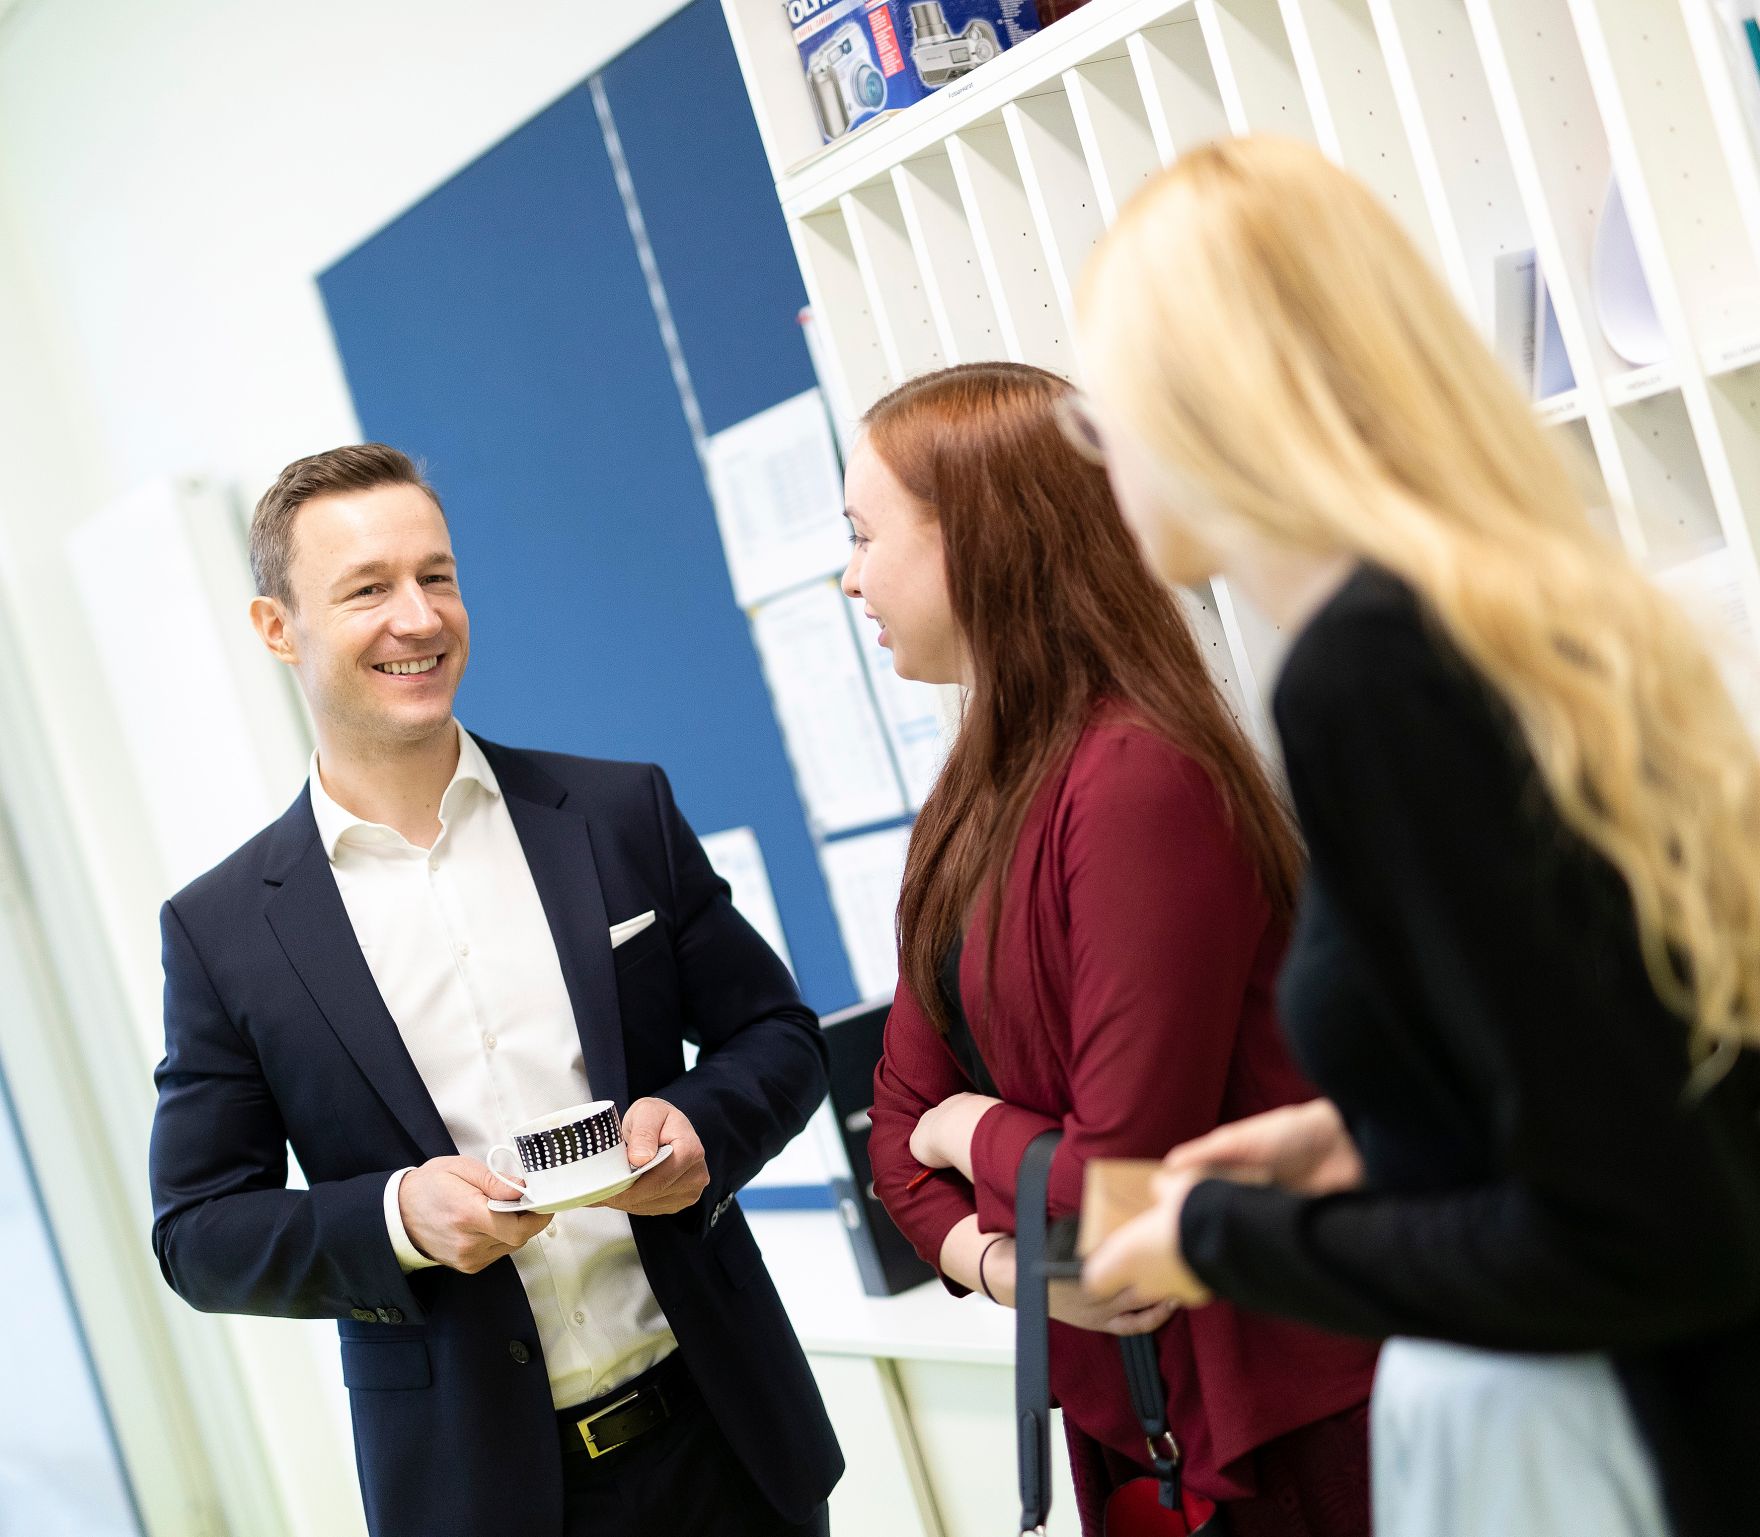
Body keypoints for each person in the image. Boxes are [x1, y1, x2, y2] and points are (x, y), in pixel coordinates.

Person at [1076, 137, 1760, 1537]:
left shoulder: (1372, 674)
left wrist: (1221, 1239)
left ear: (1207, 403)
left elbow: (1634, 1228)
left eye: (1109, 408)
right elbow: (1622, 1056)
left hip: (1615, 1435)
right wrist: (1363, 1138)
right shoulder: (1516, 612)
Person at [147, 444, 842, 1537]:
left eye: (438, 575)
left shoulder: (616, 813)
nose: (418, 618)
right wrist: (397, 1220)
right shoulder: (225, 930)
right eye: (367, 588)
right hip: (482, 1498)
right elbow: (197, 1231)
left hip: (733, 1449)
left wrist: (705, 1127)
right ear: (277, 628)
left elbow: (779, 1034)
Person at [854, 362, 1378, 1535]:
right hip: (1131, 1416)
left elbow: (1108, 1180)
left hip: (1283, 1418)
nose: (850, 577)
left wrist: (967, 1128)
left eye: (863, 534)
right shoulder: (969, 803)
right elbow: (889, 1138)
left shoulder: (1138, 781)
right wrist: (1008, 1271)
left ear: (975, 541)